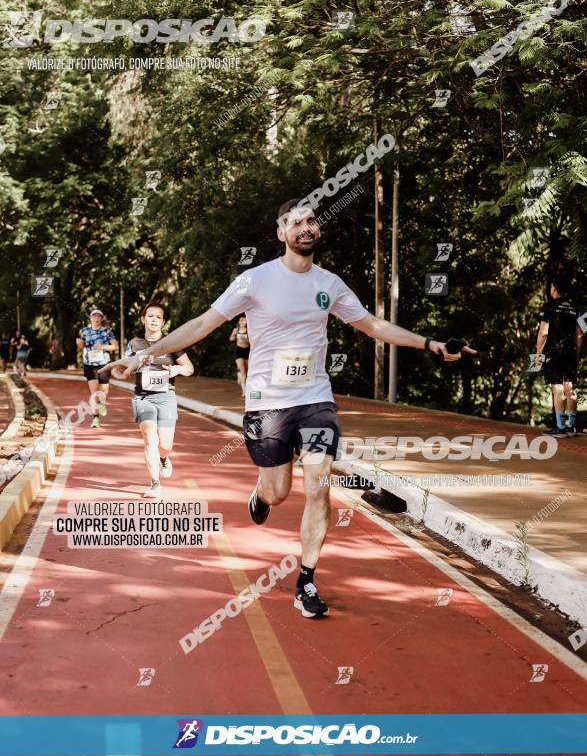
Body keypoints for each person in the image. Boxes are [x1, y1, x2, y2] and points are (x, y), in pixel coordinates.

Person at [101, 199, 476, 619]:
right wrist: (142, 355)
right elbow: (202, 325)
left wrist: (431, 343)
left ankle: (306, 581)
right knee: (279, 492)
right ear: (281, 233)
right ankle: (262, 494)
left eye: (311, 219)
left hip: (315, 401)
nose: (305, 226)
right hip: (267, 406)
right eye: (295, 221)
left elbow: (373, 325)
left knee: (319, 482)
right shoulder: (254, 281)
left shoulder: (329, 284)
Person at [116, 301, 194, 498]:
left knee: (165, 445)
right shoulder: (135, 343)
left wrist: (176, 369)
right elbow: (126, 364)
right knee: (150, 437)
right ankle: (154, 483)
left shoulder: (172, 343)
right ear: (143, 319)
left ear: (163, 322)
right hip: (143, 396)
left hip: (166, 396)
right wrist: (124, 371)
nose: (154, 320)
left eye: (158, 317)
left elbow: (189, 368)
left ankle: (164, 457)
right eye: (150, 316)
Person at [535, 273, 584, 438]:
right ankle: (572, 427)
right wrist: (577, 355)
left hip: (554, 353)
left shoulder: (549, 307)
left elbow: (543, 333)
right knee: (570, 387)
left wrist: (538, 354)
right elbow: (580, 335)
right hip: (570, 352)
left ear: (554, 288)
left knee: (557, 388)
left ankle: (560, 428)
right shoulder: (577, 309)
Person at [76, 309, 119, 429]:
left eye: (99, 316)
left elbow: (115, 346)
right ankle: (95, 418)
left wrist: (103, 346)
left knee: (103, 391)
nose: (96, 318)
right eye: (94, 316)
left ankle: (102, 404)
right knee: (94, 392)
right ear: (90, 318)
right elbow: (81, 345)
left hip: (104, 364)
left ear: (102, 318)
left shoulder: (107, 331)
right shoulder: (84, 331)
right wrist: (79, 342)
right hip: (89, 364)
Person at [229, 315, 250, 397]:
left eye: (245, 320)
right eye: (243, 320)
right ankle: (244, 391)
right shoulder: (236, 330)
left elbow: (252, 341)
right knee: (243, 370)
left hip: (247, 351)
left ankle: (240, 376)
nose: (245, 322)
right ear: (240, 322)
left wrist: (246, 339)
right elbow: (231, 339)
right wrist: (234, 335)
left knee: (247, 371)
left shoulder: (249, 330)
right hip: (239, 351)